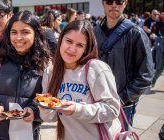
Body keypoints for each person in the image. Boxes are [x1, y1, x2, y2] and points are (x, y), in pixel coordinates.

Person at [0, 10, 50, 140]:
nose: (18, 38)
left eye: (25, 32)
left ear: (36, 34)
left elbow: (49, 98)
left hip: (29, 134)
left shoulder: (45, 63)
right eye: (14, 32)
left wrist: (35, 111)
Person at [39, 20, 121, 140]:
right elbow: (50, 118)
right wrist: (44, 107)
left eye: (80, 45)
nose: (72, 49)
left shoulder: (96, 69)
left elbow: (112, 109)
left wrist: (77, 109)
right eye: (69, 41)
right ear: (61, 39)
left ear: (86, 49)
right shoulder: (51, 72)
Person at [94, 0, 154, 130]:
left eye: (119, 1)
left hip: (123, 105)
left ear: (125, 3)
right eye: (110, 1)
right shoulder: (94, 32)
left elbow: (146, 74)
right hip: (95, 103)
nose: (114, 5)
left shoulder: (136, 33)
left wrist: (122, 98)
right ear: (103, 3)